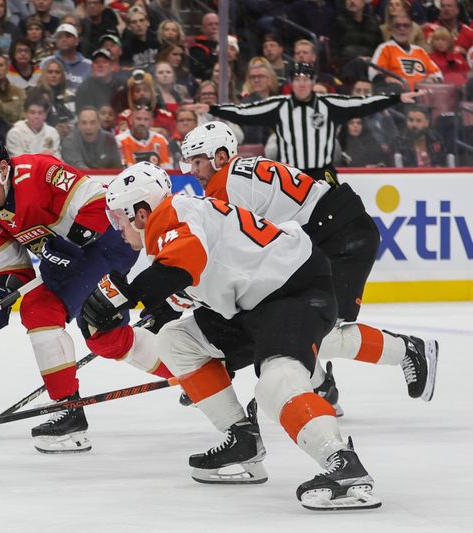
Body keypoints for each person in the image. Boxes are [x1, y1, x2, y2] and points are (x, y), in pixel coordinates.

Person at [80, 161, 380, 510]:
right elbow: (183, 279)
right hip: (254, 302)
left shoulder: (174, 215)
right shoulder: (172, 226)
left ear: (142, 213)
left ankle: (344, 466)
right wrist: (154, 307)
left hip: (293, 290)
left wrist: (127, 295)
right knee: (177, 340)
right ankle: (243, 440)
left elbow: (181, 264)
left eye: (120, 217)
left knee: (276, 382)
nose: (118, 228)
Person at [178, 121, 437, 408]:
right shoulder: (241, 173)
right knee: (295, 320)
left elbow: (228, 257)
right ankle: (322, 388)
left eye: (198, 161)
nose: (193, 171)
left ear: (221, 157)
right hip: (328, 234)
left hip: (339, 236)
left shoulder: (225, 187)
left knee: (317, 330)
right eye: (190, 162)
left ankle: (408, 350)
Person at [0, 132, 170, 453]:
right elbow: (15, 269)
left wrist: (69, 244)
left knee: (40, 308)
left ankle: (69, 413)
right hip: (74, 263)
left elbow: (100, 203)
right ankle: (194, 373)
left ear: (3, 169)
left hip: (109, 241)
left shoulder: (40, 171)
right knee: (105, 338)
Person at [204, 62, 423, 186]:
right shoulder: (278, 105)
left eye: (306, 79)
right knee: (292, 224)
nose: (302, 83)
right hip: (290, 174)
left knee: (335, 217)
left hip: (323, 174)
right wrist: (212, 108)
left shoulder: (329, 103)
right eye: (297, 79)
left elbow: (363, 103)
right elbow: (243, 112)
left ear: (313, 82)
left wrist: (396, 98)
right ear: (291, 83)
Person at [371, 12, 443, 90]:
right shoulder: (385, 48)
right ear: (391, 30)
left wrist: (432, 79)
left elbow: (437, 74)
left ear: (411, 29)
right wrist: (386, 80)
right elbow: (373, 73)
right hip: (397, 95)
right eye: (397, 26)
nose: (402, 29)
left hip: (422, 95)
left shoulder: (420, 51)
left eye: (406, 26)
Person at [6, 93, 61, 158]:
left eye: (40, 113)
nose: (36, 116)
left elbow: (57, 160)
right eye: (32, 112)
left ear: (45, 114)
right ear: (26, 114)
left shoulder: (52, 132)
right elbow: (17, 162)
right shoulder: (14, 134)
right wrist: (41, 157)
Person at [115, 104, 171, 168]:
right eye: (138, 119)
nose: (142, 123)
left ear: (152, 122)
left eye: (146, 119)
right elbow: (120, 170)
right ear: (130, 120)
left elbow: (168, 170)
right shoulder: (119, 140)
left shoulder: (161, 140)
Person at [41, 23, 91, 92]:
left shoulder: (89, 65)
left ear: (76, 41)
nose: (63, 39)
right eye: (60, 37)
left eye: (68, 36)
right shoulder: (46, 62)